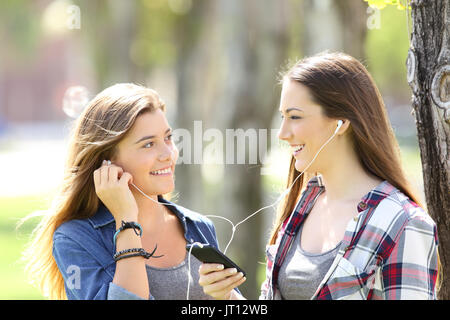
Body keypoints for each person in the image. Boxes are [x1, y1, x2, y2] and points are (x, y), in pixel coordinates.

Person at [198, 51, 440, 300]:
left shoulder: (403, 224)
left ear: (341, 122)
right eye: (283, 117)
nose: (282, 133)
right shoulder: (301, 209)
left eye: (294, 117)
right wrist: (227, 296)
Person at [22, 83, 221, 300]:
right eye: (148, 144)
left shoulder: (199, 227)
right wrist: (126, 221)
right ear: (107, 162)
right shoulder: (75, 239)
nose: (168, 154)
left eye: (168, 138)